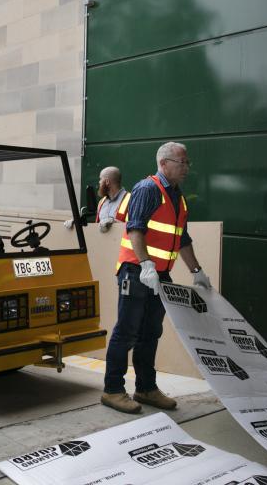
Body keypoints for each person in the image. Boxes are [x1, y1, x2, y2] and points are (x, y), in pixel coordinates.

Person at [101, 141, 212, 414]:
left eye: (187, 163)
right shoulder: (148, 189)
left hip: (159, 274)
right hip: (136, 271)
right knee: (127, 332)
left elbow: (182, 239)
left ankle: (146, 388)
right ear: (163, 164)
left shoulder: (177, 196)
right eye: (181, 162)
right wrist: (146, 265)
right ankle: (112, 390)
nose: (186, 167)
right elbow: (135, 228)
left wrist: (197, 272)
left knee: (151, 333)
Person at [64, 166, 128, 232]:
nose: (99, 183)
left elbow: (135, 227)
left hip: (120, 242)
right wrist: (77, 223)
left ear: (107, 181)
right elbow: (97, 228)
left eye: (100, 179)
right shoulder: (102, 202)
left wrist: (113, 221)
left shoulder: (130, 200)